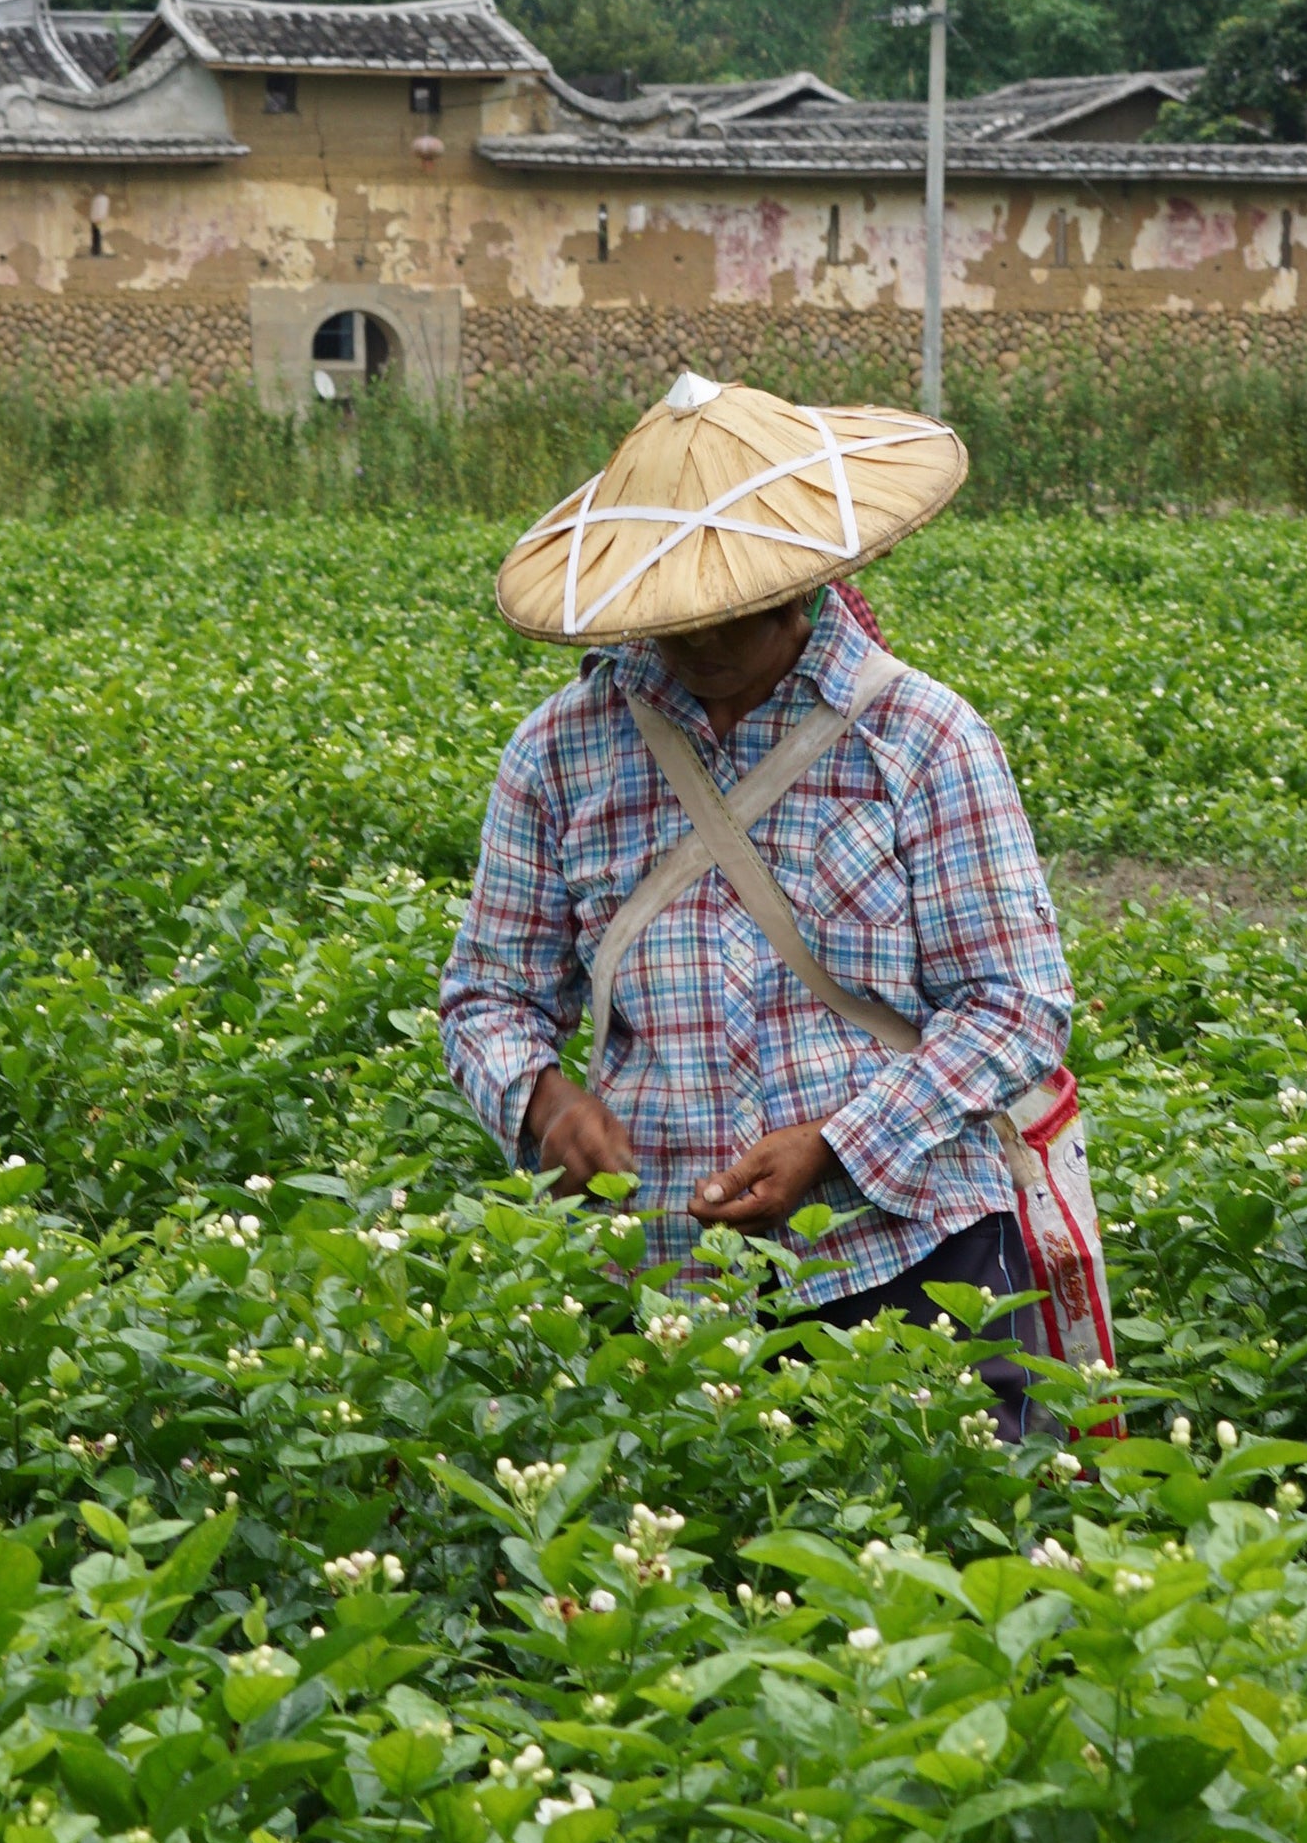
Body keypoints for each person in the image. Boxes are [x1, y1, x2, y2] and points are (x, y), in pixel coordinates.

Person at [438, 371, 1073, 1351]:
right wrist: (542, 1099)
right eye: (674, 599)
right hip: (657, 1283)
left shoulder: (921, 736)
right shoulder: (559, 753)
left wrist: (836, 1145)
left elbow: (1015, 1005)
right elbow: (487, 1000)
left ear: (802, 580)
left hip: (909, 1261)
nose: (699, 631)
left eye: (732, 598)